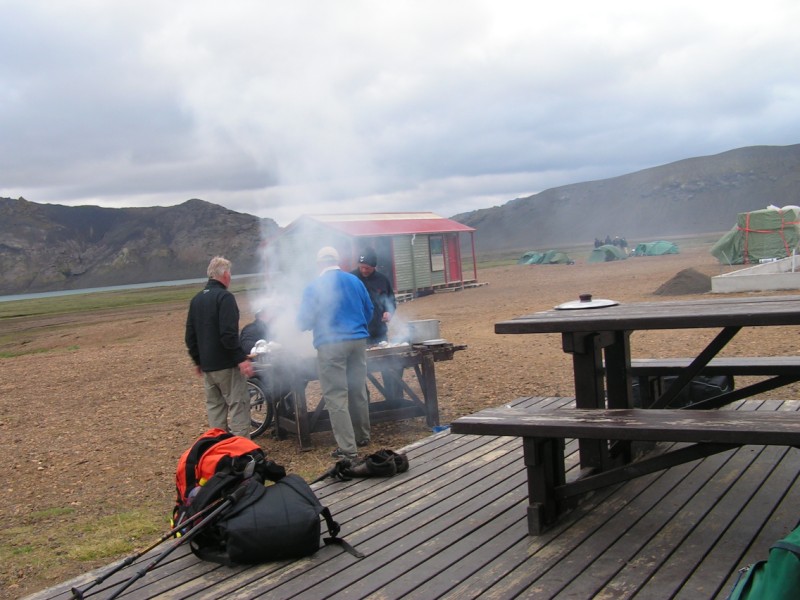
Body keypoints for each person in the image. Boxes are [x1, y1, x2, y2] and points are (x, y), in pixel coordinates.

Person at [297, 246, 374, 459]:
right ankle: (362, 436)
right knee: (357, 389)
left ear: (319, 264)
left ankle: (348, 448)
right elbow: (369, 309)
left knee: (336, 395)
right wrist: (357, 327)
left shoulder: (314, 287)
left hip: (331, 344)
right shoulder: (355, 281)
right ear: (337, 261)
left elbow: (304, 320)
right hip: (358, 341)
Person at [185, 256, 254, 438]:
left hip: (208, 367)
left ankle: (218, 448)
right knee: (238, 406)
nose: (230, 276)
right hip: (227, 365)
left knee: (215, 410)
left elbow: (190, 336)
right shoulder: (225, 298)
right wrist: (241, 359)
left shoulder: (196, 300)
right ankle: (242, 449)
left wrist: (198, 360)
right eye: (229, 273)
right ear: (225, 275)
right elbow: (228, 334)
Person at [351, 247, 402, 402]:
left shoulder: (382, 280)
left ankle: (394, 400)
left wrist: (389, 312)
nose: (364, 270)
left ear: (374, 266)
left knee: (388, 367)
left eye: (367, 267)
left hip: (379, 332)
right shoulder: (351, 279)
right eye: (361, 267)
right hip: (358, 334)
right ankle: (363, 403)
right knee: (358, 370)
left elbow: (391, 301)